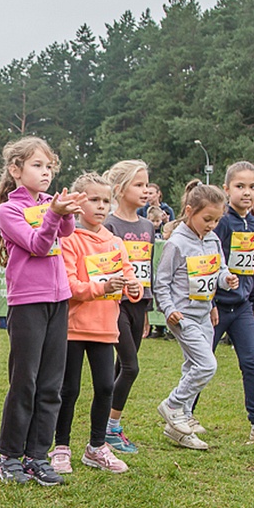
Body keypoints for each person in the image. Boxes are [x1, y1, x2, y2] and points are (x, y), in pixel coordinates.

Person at [0, 137, 85, 485]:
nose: (45, 173)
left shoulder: (49, 202)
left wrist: (64, 212)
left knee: (51, 383)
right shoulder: (8, 211)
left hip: (58, 300)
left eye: (49, 167)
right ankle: (10, 456)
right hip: (27, 302)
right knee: (24, 381)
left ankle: (37, 455)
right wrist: (54, 215)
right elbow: (36, 244)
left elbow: (66, 233)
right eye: (37, 166)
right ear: (16, 170)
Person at [51, 173, 141, 473]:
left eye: (106, 201)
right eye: (94, 200)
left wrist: (133, 287)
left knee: (105, 387)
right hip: (74, 329)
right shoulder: (69, 240)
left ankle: (97, 446)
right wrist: (102, 288)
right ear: (79, 203)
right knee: (69, 389)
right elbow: (70, 286)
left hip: (106, 329)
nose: (101, 206)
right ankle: (60, 447)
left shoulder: (115, 241)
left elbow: (128, 274)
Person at [153, 181, 238, 450]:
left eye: (216, 219)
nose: (212, 224)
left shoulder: (212, 239)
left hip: (204, 314)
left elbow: (219, 270)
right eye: (207, 218)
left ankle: (180, 427)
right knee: (206, 365)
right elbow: (161, 282)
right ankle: (173, 405)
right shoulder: (176, 243)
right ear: (189, 211)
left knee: (192, 366)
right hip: (183, 316)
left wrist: (226, 279)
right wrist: (169, 310)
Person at [202, 161, 254, 446]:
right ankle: (183, 415)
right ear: (226, 190)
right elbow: (211, 263)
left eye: (252, 187)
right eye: (239, 186)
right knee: (201, 363)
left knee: (253, 362)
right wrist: (210, 301)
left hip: (244, 306)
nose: (246, 192)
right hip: (216, 307)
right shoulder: (222, 222)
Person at [102, 160, 153, 453]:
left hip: (138, 304)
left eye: (147, 185)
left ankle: (103, 423)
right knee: (131, 367)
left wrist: (146, 308)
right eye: (138, 184)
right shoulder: (110, 224)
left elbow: (147, 268)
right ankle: (111, 428)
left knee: (122, 366)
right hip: (115, 304)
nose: (145, 191)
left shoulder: (147, 225)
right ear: (120, 190)